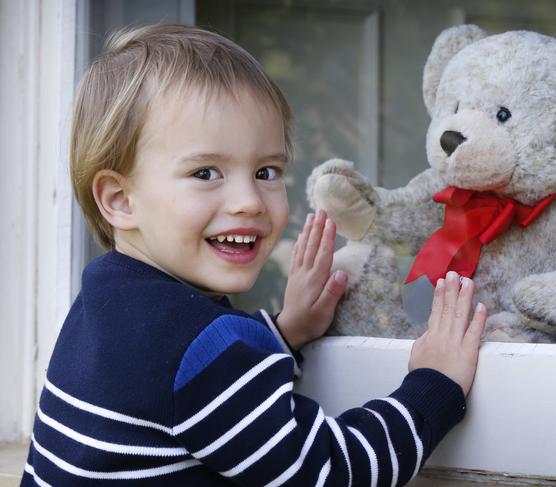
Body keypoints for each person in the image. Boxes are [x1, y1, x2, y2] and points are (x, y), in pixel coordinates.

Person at [21, 24, 487, 487]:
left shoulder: (106, 299)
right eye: (206, 172)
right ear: (120, 199)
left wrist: (287, 331)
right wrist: (434, 384)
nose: (249, 200)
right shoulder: (196, 351)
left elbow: (187, 388)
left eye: (267, 170)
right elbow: (330, 472)